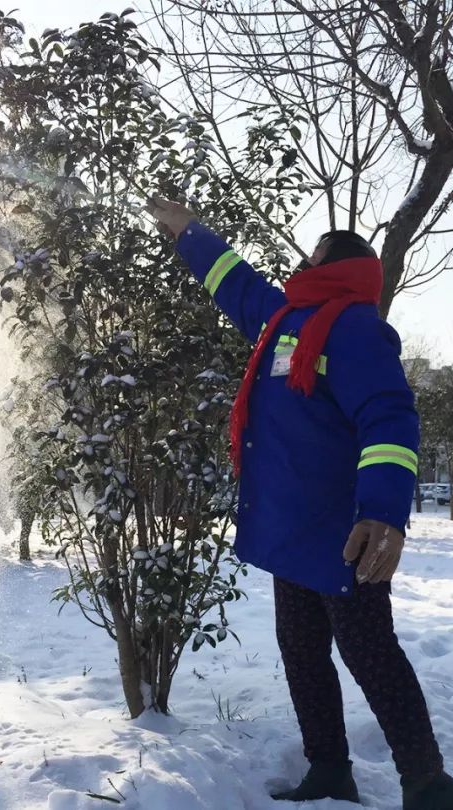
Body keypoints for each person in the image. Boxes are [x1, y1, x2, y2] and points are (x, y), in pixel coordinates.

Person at [146, 196, 453, 810]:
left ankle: (426, 783)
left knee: (370, 654)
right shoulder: (287, 320)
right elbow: (236, 283)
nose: (299, 264)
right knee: (302, 652)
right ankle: (329, 770)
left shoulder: (358, 330)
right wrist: (188, 234)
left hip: (344, 535)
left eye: (310, 256)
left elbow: (388, 417)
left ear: (328, 262)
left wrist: (383, 512)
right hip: (294, 534)